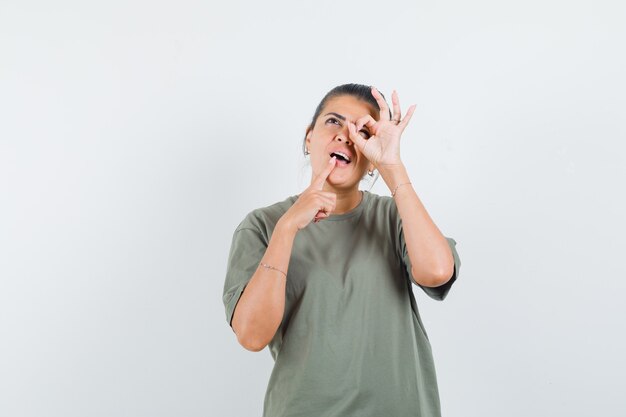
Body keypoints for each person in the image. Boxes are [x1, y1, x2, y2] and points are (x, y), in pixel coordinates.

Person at [222, 83, 462, 417]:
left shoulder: (394, 216)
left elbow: (437, 272)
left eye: (362, 130)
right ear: (309, 138)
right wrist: (288, 228)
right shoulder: (263, 225)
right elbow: (251, 335)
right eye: (333, 122)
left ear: (371, 159)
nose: (345, 136)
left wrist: (394, 169)